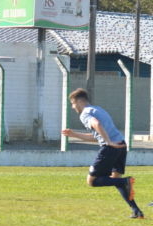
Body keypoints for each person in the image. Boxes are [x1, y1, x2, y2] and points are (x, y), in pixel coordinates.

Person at [60, 88, 142, 219]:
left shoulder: (85, 114)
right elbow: (97, 136)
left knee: (92, 181)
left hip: (110, 147)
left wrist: (108, 142)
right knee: (115, 179)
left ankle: (126, 181)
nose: (72, 107)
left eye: (73, 103)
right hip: (121, 145)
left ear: (79, 102)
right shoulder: (98, 109)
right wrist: (74, 134)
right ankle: (136, 211)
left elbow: (96, 124)